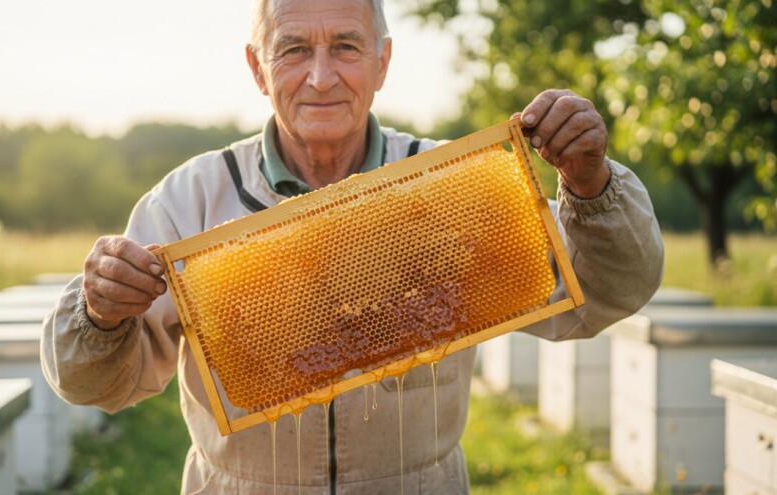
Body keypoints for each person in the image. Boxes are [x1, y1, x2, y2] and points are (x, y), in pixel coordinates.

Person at [41, 0, 664, 492]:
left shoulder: (448, 183)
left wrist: (590, 186)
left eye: (345, 47)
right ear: (258, 68)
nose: (320, 76)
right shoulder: (190, 200)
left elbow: (604, 293)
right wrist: (99, 315)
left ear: (382, 63)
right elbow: (97, 384)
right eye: (293, 50)